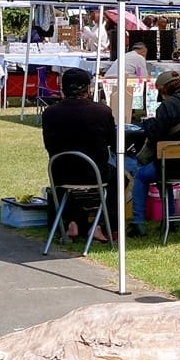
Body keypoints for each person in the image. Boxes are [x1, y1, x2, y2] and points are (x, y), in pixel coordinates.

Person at [41, 68, 117, 242]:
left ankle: (72, 222)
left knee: (71, 182)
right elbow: (114, 143)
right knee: (119, 179)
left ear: (63, 88)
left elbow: (49, 145)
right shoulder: (102, 111)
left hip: (60, 172)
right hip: (94, 172)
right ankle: (103, 227)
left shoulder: (50, 113)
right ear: (88, 89)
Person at [129, 70, 180, 232]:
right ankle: (170, 219)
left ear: (163, 90)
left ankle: (138, 223)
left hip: (169, 164)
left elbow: (155, 134)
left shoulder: (168, 106)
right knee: (162, 174)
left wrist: (149, 124)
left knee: (142, 175)